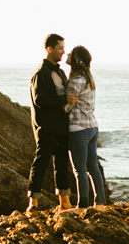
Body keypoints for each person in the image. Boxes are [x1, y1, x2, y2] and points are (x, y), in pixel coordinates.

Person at [27, 33, 75, 210]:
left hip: (62, 125)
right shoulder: (41, 72)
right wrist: (64, 99)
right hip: (46, 126)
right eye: (60, 48)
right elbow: (40, 100)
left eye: (63, 48)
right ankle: (33, 204)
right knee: (41, 163)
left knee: (62, 164)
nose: (63, 52)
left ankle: (65, 203)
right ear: (50, 49)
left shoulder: (60, 72)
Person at [63, 44, 108, 207]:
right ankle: (100, 204)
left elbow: (67, 107)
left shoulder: (75, 81)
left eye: (70, 53)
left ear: (75, 60)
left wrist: (59, 102)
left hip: (78, 129)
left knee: (79, 170)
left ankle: (82, 206)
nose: (66, 54)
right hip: (92, 127)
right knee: (93, 168)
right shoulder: (89, 80)